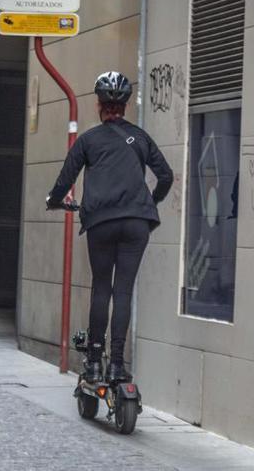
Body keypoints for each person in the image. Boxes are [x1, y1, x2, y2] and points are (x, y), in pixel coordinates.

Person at [46, 72, 173, 383]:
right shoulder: (141, 138)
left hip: (101, 222)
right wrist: (148, 205)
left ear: (99, 105)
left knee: (102, 288)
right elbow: (166, 176)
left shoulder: (88, 140)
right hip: (137, 224)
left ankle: (93, 361)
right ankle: (117, 363)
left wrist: (54, 200)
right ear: (125, 106)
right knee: (124, 290)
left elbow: (65, 180)